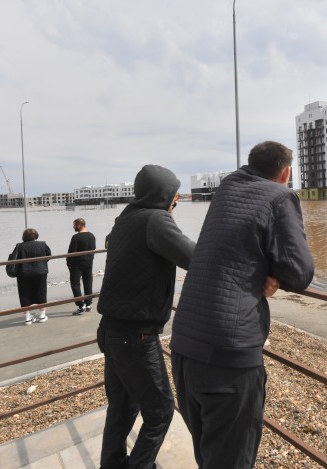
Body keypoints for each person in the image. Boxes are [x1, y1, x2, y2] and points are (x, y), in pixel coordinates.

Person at [170, 141, 315, 469]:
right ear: (286, 173)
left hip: (185, 348)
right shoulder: (280, 196)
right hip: (228, 357)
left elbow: (237, 245)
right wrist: (275, 274)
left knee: (209, 455)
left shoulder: (226, 190)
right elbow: (300, 272)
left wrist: (263, 267)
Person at [97, 164, 196, 469]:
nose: (176, 199)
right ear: (163, 193)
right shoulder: (156, 220)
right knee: (161, 412)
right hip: (135, 336)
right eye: (174, 193)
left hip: (111, 330)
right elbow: (195, 257)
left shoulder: (125, 219)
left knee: (122, 407)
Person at [11, 228, 51, 325]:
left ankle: (27, 318)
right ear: (36, 236)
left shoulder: (19, 246)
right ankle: (42, 315)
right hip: (40, 272)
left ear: (24, 236)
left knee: (24, 294)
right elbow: (48, 255)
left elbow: (14, 258)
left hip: (23, 273)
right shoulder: (42, 244)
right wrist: (41, 263)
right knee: (41, 292)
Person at [67, 217, 96, 315]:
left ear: (79, 225)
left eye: (74, 225)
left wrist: (69, 263)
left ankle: (80, 305)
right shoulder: (91, 235)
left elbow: (71, 252)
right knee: (88, 282)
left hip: (77, 263)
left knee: (75, 284)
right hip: (89, 262)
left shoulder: (76, 237)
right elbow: (93, 248)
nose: (73, 227)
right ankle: (88, 304)